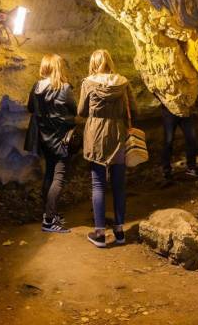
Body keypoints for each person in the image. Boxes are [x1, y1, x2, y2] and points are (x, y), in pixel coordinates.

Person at [78, 49, 136, 248]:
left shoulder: (88, 83)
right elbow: (134, 109)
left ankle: (100, 233)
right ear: (110, 62)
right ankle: (120, 232)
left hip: (96, 136)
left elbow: (81, 111)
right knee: (119, 184)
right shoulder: (123, 82)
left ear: (93, 63)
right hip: (118, 134)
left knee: (98, 184)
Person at [24, 54, 76, 233]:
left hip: (43, 138)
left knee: (49, 175)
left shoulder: (37, 86)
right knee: (59, 177)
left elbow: (30, 108)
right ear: (58, 67)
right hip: (61, 139)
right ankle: (49, 221)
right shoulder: (65, 88)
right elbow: (75, 109)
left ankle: (48, 213)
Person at [159, 100, 198, 182]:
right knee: (168, 141)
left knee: (191, 138)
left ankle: (191, 168)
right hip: (169, 110)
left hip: (184, 109)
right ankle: (166, 171)